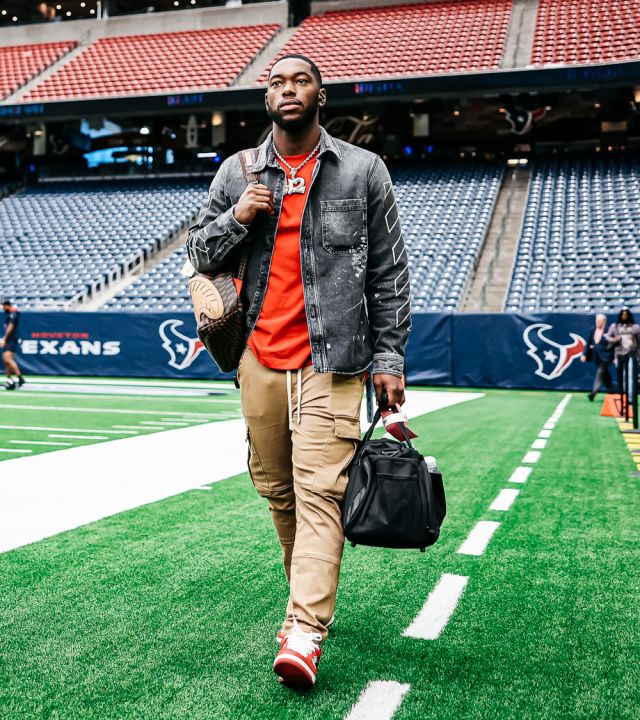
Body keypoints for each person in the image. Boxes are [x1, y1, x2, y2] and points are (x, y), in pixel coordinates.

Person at [186, 54, 410, 690]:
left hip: (332, 358)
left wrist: (389, 357)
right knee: (278, 491)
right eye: (277, 81)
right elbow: (199, 255)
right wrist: (239, 218)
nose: (288, 89)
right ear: (267, 99)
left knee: (321, 493)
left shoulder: (363, 170)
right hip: (257, 356)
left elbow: (389, 274)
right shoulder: (237, 172)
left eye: (300, 80)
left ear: (320, 93)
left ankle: (306, 630)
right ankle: (304, 598)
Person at [608, 308, 640, 402]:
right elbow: (608, 337)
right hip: (619, 354)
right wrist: (615, 339)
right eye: (622, 314)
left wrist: (639, 353)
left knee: (630, 376)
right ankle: (623, 396)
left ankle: (630, 397)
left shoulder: (635, 327)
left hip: (631, 354)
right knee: (622, 376)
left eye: (626, 314)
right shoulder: (614, 326)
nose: (624, 316)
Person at [582, 313, 615, 402]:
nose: (597, 322)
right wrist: (584, 354)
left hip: (606, 357)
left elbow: (613, 344)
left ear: (604, 321)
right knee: (605, 375)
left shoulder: (609, 330)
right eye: (596, 320)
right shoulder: (593, 329)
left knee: (600, 374)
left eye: (599, 321)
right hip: (596, 357)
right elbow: (588, 343)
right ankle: (611, 391)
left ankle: (593, 393)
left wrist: (614, 356)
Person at [0, 299, 24, 389]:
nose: (3, 308)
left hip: (11, 339)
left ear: (7, 305)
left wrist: (4, 338)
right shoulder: (9, 314)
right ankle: (9, 378)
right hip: (9, 339)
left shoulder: (13, 313)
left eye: (3, 306)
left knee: (8, 359)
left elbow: (11, 326)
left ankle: (20, 377)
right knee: (5, 360)